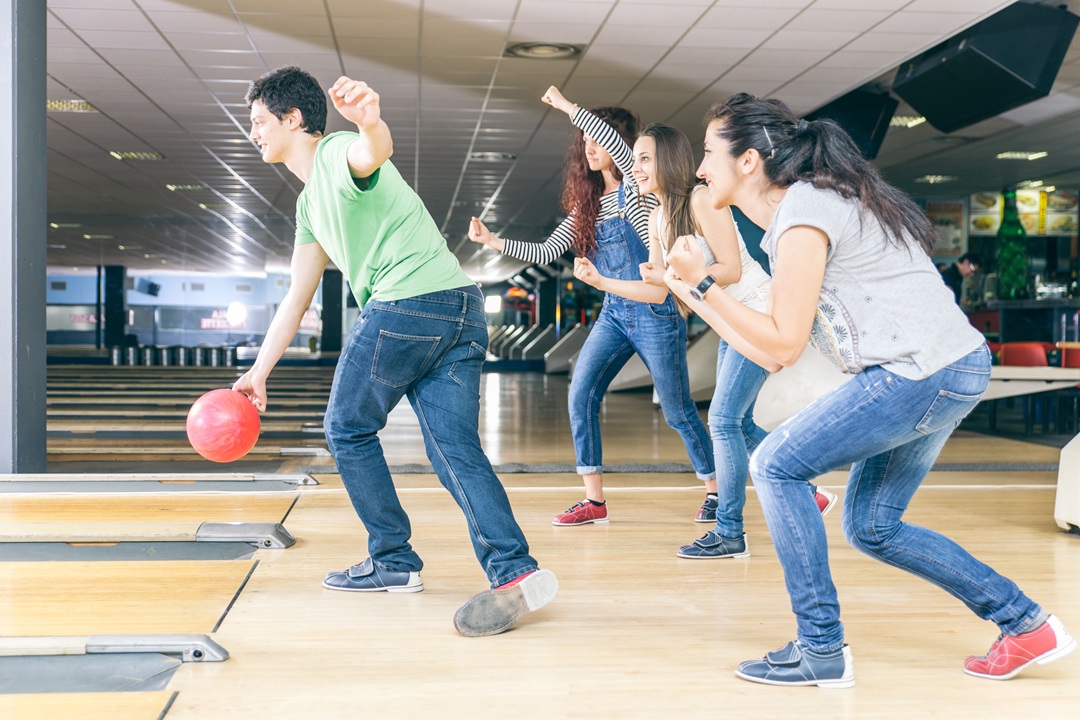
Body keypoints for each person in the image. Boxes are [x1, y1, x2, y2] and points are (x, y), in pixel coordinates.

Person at [664, 92, 1074, 686]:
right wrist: (694, 289)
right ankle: (1026, 623)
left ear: (748, 161)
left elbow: (780, 345)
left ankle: (821, 649)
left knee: (775, 464)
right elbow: (771, 353)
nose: (700, 169)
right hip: (947, 367)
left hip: (921, 371)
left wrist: (702, 281)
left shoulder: (804, 214)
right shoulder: (804, 211)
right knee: (872, 526)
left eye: (707, 153)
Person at [234, 66, 557, 637]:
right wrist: (259, 372)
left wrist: (371, 121)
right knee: (453, 446)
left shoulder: (335, 153)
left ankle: (393, 561)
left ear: (294, 119)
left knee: (346, 428)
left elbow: (371, 151)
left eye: (259, 122)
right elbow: (295, 297)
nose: (252, 132)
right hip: (460, 308)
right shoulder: (311, 207)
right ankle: (514, 571)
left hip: (407, 306)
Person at [468, 87, 716, 526]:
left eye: (597, 138)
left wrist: (569, 109)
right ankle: (594, 501)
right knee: (580, 393)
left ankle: (715, 489)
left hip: (655, 314)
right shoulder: (587, 207)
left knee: (677, 410)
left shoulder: (639, 197)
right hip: (615, 315)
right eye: (585, 143)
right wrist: (493, 241)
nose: (591, 147)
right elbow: (545, 252)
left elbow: (619, 146)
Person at [626, 122, 837, 560]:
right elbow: (662, 289)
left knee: (722, 420)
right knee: (736, 423)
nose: (636, 167)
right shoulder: (654, 216)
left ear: (667, 160)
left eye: (645, 158)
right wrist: (605, 280)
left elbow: (732, 269)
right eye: (635, 158)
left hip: (756, 310)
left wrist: (681, 274)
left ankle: (730, 532)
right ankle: (808, 493)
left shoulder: (702, 200)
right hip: (725, 320)